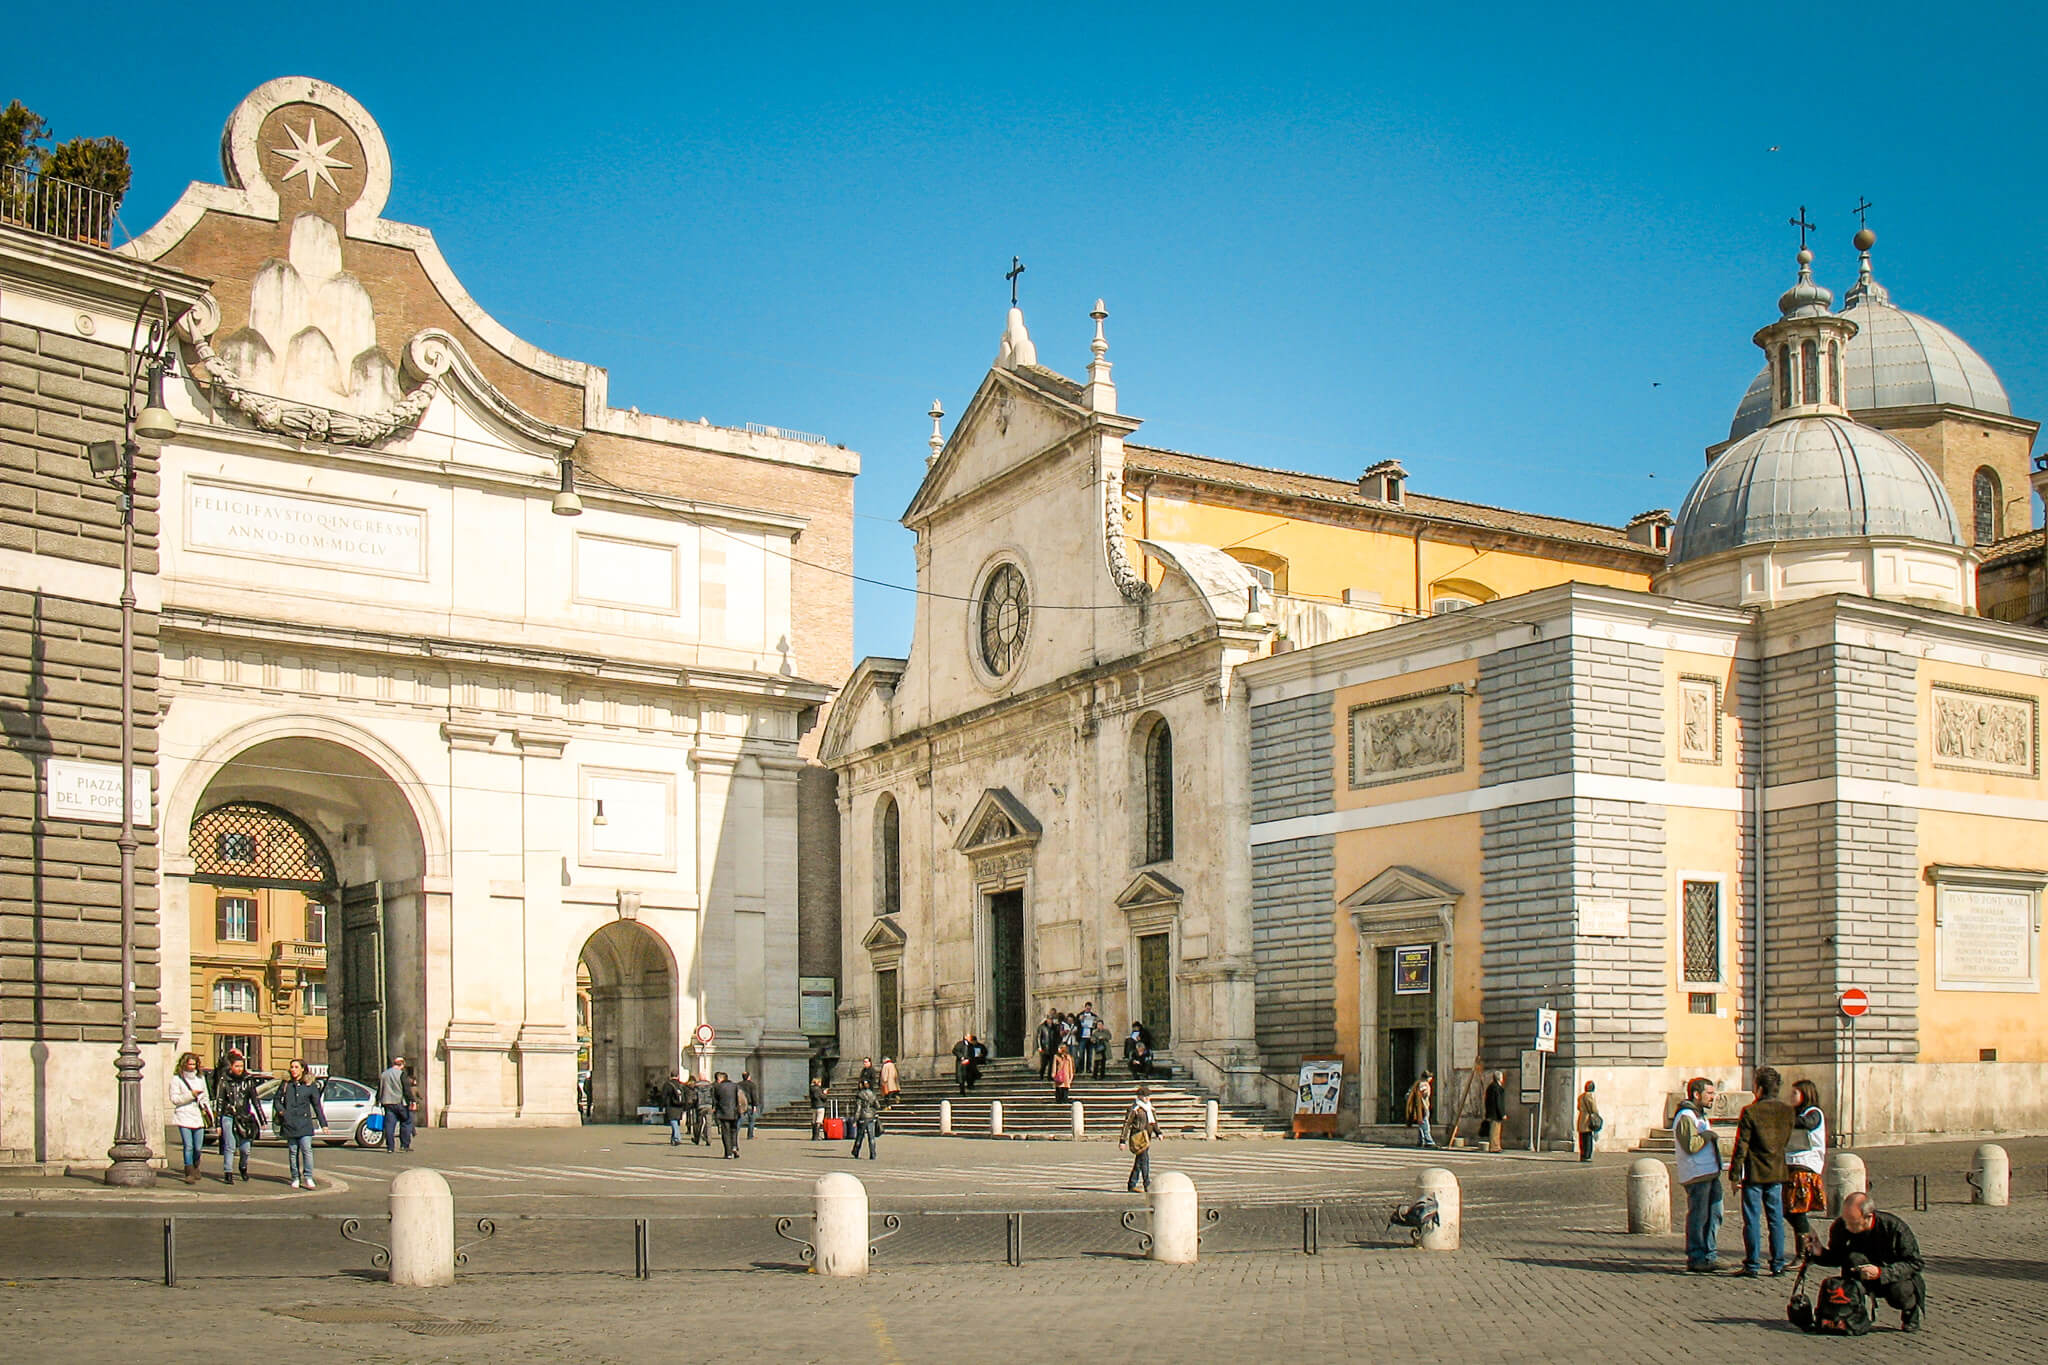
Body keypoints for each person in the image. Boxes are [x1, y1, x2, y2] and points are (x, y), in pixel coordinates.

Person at [1813, 1191, 1925, 1333]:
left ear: (1869, 1217)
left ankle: (1910, 1312)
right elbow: (1837, 1258)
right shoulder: (1841, 1226)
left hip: (1891, 1276)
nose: (1847, 1227)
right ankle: (1852, 1314)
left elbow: (1915, 1263)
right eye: (1846, 1221)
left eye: (1853, 1223)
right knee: (1853, 1258)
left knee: (1900, 1291)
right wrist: (1819, 1253)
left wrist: (1880, 1272)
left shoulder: (1894, 1227)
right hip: (1858, 1276)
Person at [1728, 1065, 1794, 1277]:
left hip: (1755, 1172)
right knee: (1775, 1220)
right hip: (1777, 1170)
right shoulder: (1787, 1111)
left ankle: (1753, 1264)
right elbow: (1785, 1139)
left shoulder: (1751, 1111)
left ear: (1760, 1088)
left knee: (1752, 1219)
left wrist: (1735, 1174)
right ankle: (1778, 1263)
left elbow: (1742, 1145)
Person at [1672, 1076, 1725, 1272]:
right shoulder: (1686, 1116)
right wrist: (1708, 1135)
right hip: (1696, 1174)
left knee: (1715, 1215)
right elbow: (1690, 1145)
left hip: (1710, 1172)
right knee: (1699, 1216)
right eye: (1709, 1093)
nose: (1713, 1097)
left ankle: (1710, 1254)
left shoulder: (1699, 1114)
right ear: (1696, 1094)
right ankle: (1696, 1256)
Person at [1785, 1078, 1828, 1256]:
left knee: (1797, 1210)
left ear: (1805, 1094)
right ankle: (1812, 1244)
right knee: (1789, 1211)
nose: (1791, 1096)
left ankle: (1804, 1252)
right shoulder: (1796, 1113)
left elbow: (1806, 1123)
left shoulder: (1814, 1113)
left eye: (1795, 1093)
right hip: (1791, 1164)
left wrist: (1782, 1118)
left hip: (1805, 1166)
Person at [272, 1058, 327, 1191]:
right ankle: (295, 1177)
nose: (293, 1070)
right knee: (293, 1151)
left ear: (303, 1069)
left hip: (304, 1123)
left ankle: (308, 1176)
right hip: (289, 1122)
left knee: (306, 1150)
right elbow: (277, 1100)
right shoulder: (286, 1084)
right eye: (292, 1067)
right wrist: (282, 1111)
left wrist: (323, 1124)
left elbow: (317, 1105)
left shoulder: (310, 1085)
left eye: (296, 1067)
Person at [212, 1050, 263, 1186]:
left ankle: (243, 1166)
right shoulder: (224, 1080)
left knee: (245, 1148)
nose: (239, 1069)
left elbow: (255, 1100)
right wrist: (218, 1124)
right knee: (230, 1145)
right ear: (231, 1066)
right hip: (229, 1116)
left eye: (241, 1066)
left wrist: (262, 1119)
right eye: (237, 1066)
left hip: (244, 1117)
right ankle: (228, 1172)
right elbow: (220, 1102)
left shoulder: (248, 1080)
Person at [167, 1052, 213, 1185]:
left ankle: (196, 1165)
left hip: (198, 1115)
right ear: (184, 1064)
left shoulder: (200, 1078)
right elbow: (174, 1099)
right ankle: (189, 1171)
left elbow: (205, 1098)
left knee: (198, 1147)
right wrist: (190, 1095)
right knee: (188, 1145)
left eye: (194, 1064)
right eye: (190, 1064)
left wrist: (209, 1114)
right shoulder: (177, 1079)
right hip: (184, 1115)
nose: (192, 1067)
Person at [1119, 1086, 1160, 1193]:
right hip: (1138, 1137)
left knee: (1139, 1162)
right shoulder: (1134, 1109)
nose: (1147, 1098)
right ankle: (1147, 1184)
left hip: (1147, 1137)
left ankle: (1132, 1184)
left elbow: (1153, 1122)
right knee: (1144, 1160)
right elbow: (1127, 1124)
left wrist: (1158, 1132)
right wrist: (1123, 1140)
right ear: (1139, 1096)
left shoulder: (1150, 1108)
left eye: (1148, 1096)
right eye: (1145, 1096)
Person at [377, 1055, 414, 1154]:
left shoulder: (384, 1074)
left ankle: (390, 1147)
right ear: (402, 1064)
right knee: (406, 1122)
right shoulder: (401, 1074)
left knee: (389, 1125)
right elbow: (406, 1089)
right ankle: (404, 1145)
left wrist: (378, 1100)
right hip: (400, 1102)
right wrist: (412, 1100)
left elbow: (380, 1088)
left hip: (388, 1103)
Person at [711, 1070, 742, 1158]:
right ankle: (734, 1146)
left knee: (726, 1133)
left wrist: (715, 1110)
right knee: (734, 1131)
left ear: (720, 1079)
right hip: (734, 1112)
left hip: (723, 1112)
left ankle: (728, 1153)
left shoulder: (718, 1087)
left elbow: (715, 1100)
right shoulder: (735, 1086)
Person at [850, 1083, 882, 1160]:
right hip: (871, 1116)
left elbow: (858, 1108)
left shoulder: (860, 1095)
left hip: (863, 1117)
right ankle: (873, 1154)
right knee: (871, 1137)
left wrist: (855, 1120)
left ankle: (856, 1151)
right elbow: (878, 1106)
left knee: (860, 1136)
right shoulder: (873, 1094)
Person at [1406, 1072, 1437, 1148]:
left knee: (1421, 1124)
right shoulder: (1424, 1084)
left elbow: (1409, 1094)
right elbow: (1424, 1093)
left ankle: (1421, 1140)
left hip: (1418, 1107)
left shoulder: (1416, 1084)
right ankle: (1429, 1141)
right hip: (1423, 1107)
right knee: (1425, 1124)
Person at [661, 1070, 691, 1146]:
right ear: (678, 1076)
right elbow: (686, 1096)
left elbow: (663, 1096)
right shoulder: (681, 1085)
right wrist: (685, 1106)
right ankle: (673, 1139)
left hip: (670, 1106)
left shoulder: (667, 1084)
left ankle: (677, 1138)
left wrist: (661, 1106)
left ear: (670, 1076)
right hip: (680, 1106)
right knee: (675, 1122)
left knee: (673, 1121)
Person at [1483, 1071, 1507, 1153]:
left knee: (1495, 1130)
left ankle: (1496, 1146)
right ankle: (1494, 1147)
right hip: (1495, 1114)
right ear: (1499, 1078)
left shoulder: (1491, 1087)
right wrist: (1502, 1114)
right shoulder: (1496, 1088)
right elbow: (1499, 1102)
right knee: (1495, 1131)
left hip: (1492, 1113)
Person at [1077, 1002, 1101, 1078]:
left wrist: (1095, 1023)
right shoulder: (1080, 1015)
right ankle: (1080, 1068)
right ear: (1085, 1007)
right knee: (1081, 1053)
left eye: (1089, 1008)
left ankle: (1088, 1068)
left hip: (1090, 1037)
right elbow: (1076, 1025)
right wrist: (1080, 1020)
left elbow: (1096, 1026)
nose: (1088, 1009)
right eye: (1087, 1008)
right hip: (1082, 1037)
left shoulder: (1094, 1016)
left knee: (1090, 1054)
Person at [694, 1072, 717, 1146]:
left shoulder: (696, 1086)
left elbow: (694, 1097)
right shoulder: (710, 1085)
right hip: (709, 1105)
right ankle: (709, 1139)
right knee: (708, 1123)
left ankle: (697, 1138)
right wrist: (714, 1105)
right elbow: (713, 1096)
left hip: (700, 1105)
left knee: (699, 1123)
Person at [739, 1071, 760, 1139]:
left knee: (739, 1120)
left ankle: (735, 1133)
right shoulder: (752, 1085)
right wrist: (755, 1105)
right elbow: (754, 1095)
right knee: (751, 1121)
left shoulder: (738, 1085)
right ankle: (750, 1135)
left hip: (741, 1104)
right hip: (750, 1104)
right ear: (748, 1077)